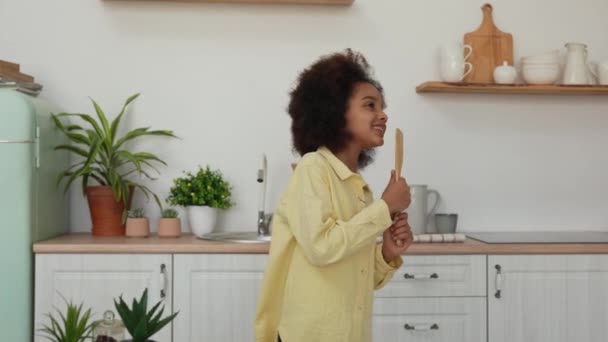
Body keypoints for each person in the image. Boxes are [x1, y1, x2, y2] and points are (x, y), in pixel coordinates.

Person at [254, 48, 412, 342]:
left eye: (381, 106)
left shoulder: (358, 188)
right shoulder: (312, 169)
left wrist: (388, 252)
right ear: (336, 112)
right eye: (370, 105)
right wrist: (385, 207)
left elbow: (358, 278)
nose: (382, 115)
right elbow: (322, 248)